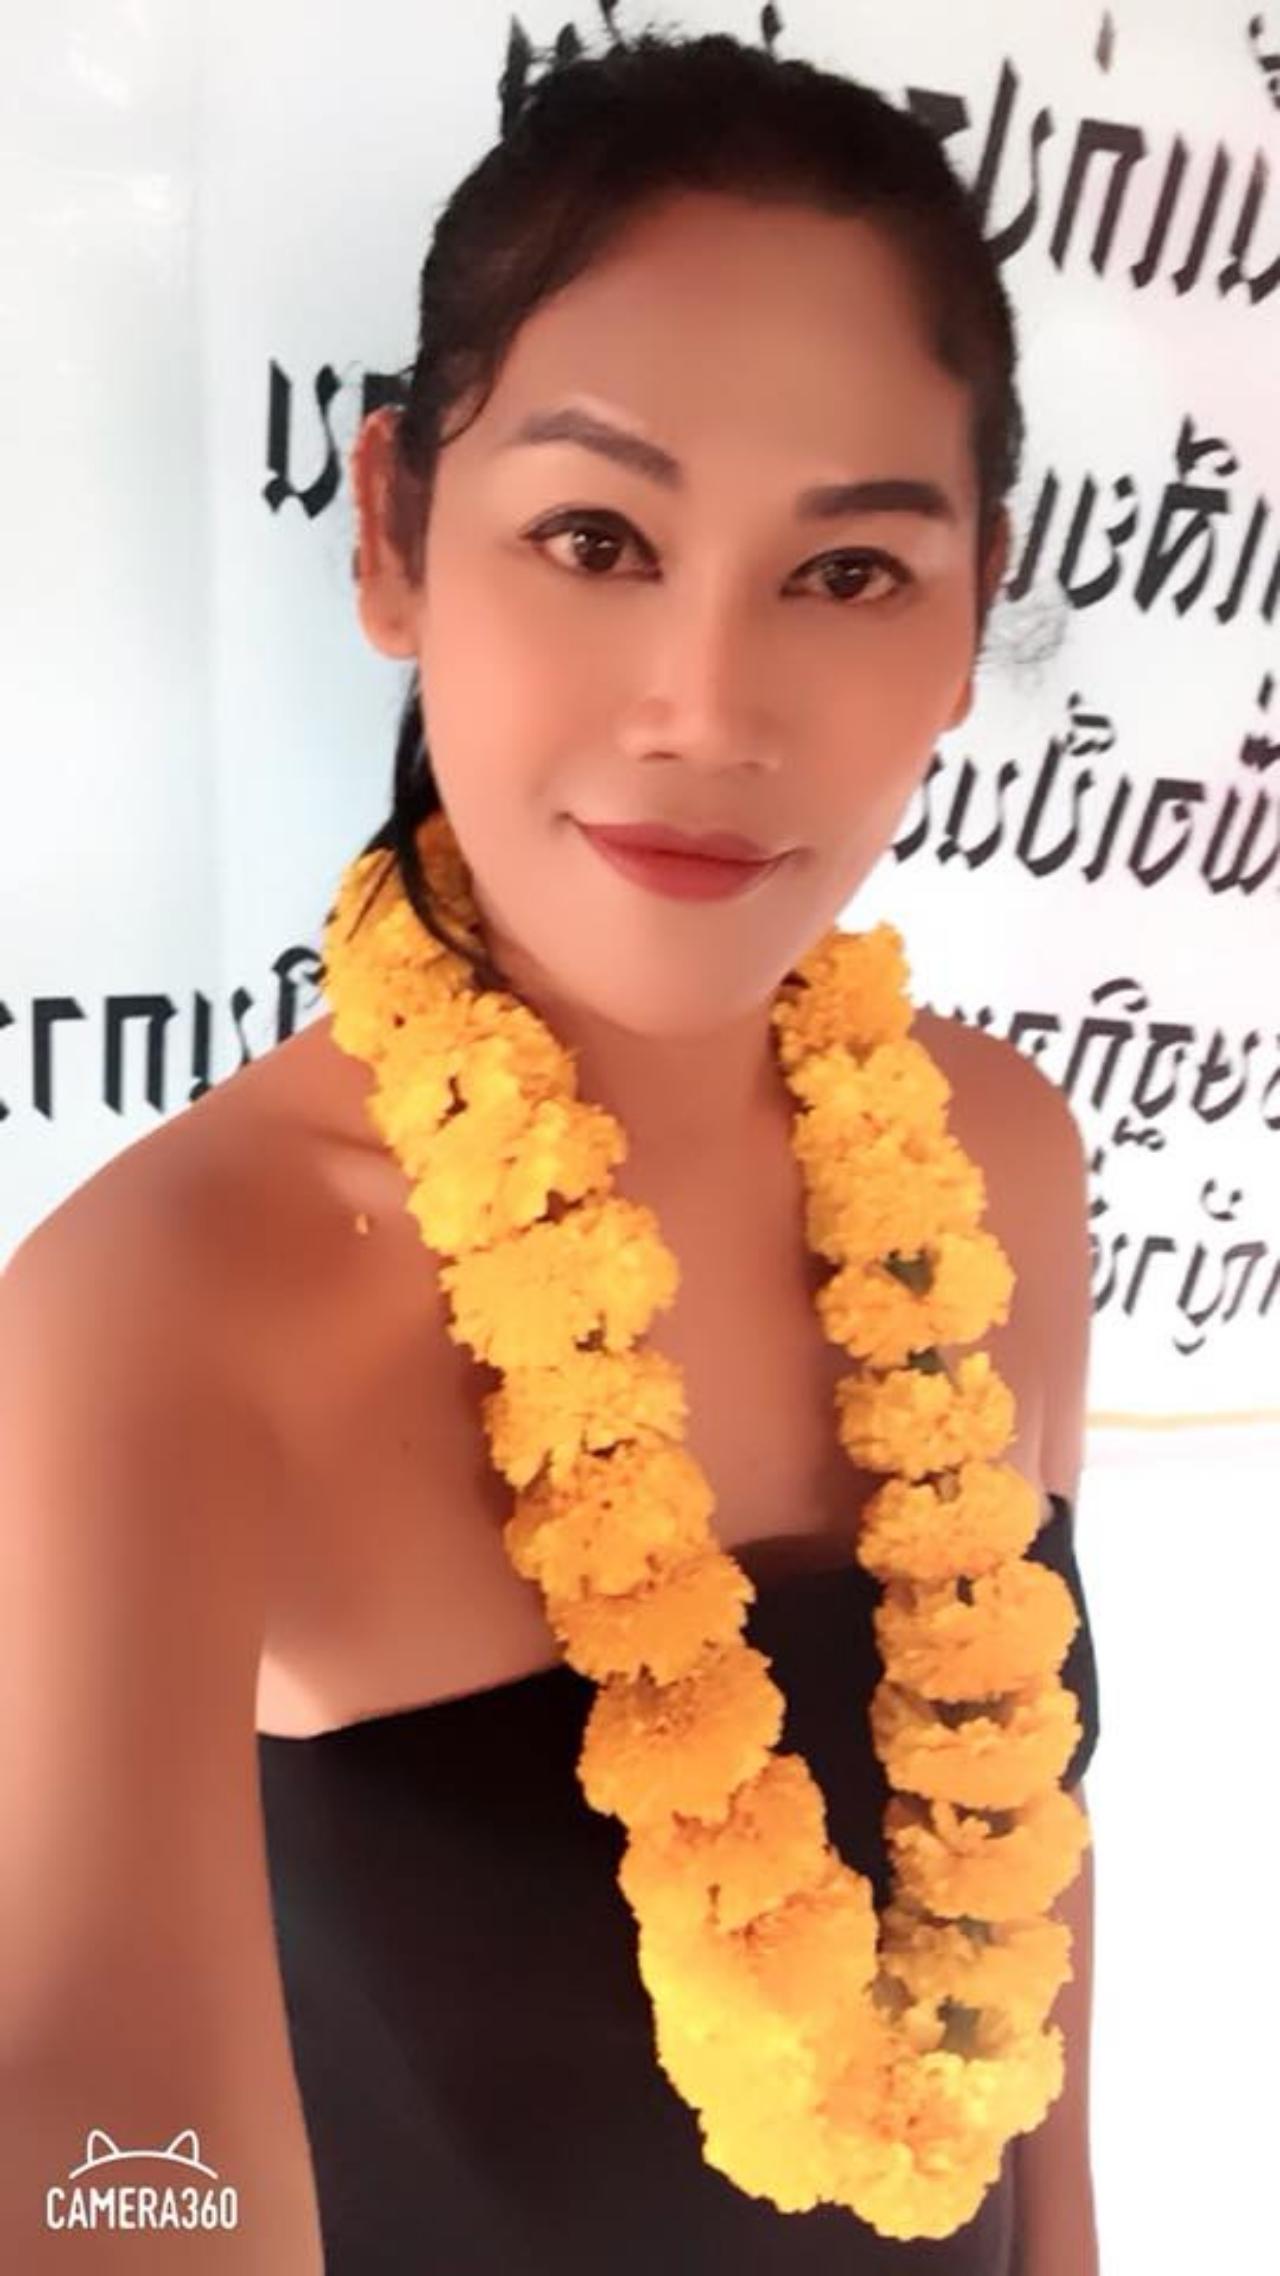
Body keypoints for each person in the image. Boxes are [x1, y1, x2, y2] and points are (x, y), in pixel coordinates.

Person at [0, 21, 1101, 2274]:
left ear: (973, 612)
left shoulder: (997, 1157)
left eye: (848, 571)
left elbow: (1034, 1898)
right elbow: (94, 2129)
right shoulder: (166, 1315)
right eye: (596, 536)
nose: (706, 705)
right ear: (395, 534)